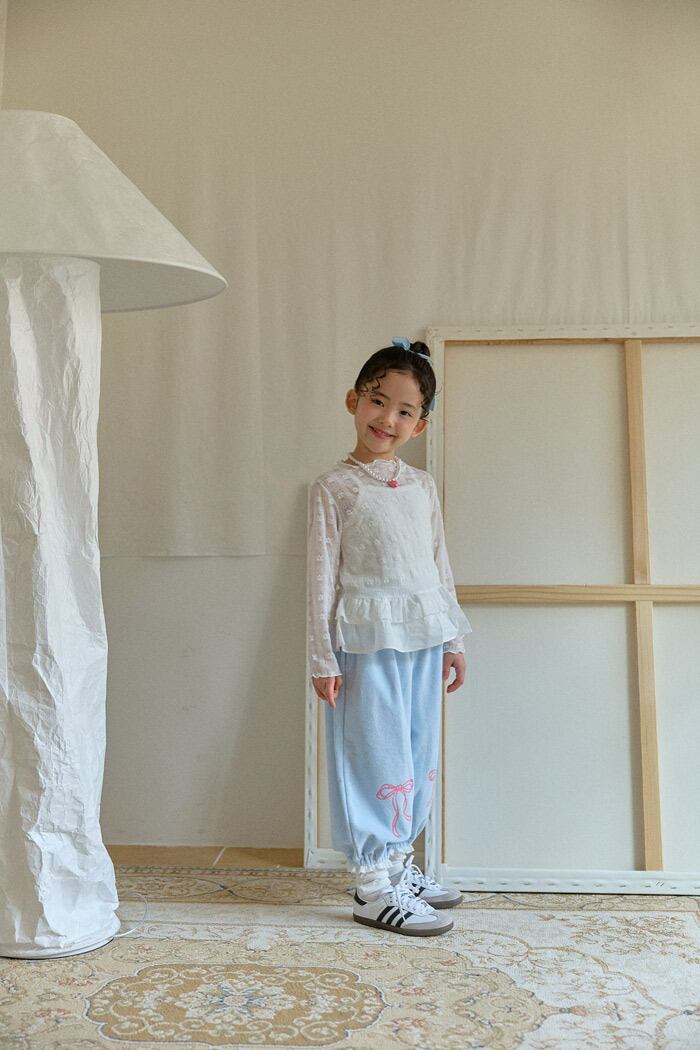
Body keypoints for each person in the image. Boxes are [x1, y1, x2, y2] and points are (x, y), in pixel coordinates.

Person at [307, 337, 472, 936]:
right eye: (378, 402)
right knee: (372, 751)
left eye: (405, 411)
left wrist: (454, 639)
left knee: (416, 752)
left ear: (420, 424)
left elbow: (438, 563)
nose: (388, 419)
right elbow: (321, 577)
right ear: (354, 401)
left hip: (424, 634)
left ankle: (400, 864)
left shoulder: (422, 486)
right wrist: (322, 658)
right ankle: (372, 883)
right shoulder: (335, 487)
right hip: (366, 639)